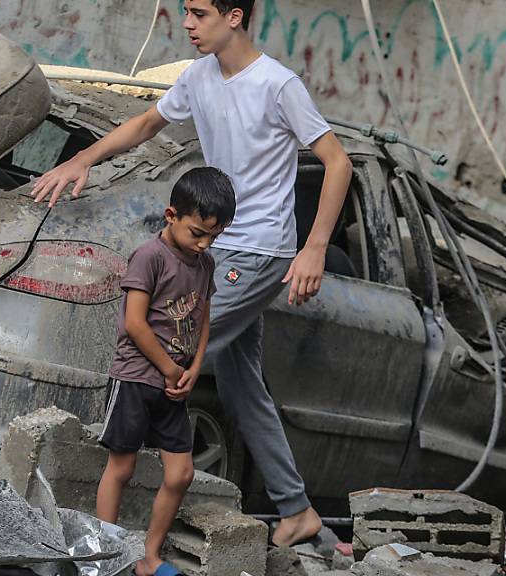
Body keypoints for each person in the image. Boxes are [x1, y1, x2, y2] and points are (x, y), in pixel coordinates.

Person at [33, 0, 353, 548]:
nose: (186, 23)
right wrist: (83, 160)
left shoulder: (278, 85)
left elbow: (337, 162)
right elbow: (145, 123)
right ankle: (297, 512)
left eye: (199, 12)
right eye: (184, 11)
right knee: (238, 381)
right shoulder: (198, 76)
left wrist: (314, 248)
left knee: (157, 355)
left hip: (257, 251)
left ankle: (92, 504)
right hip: (216, 251)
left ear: (234, 17)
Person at [96, 166, 235, 576]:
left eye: (215, 235)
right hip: (138, 378)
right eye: (198, 232)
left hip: (175, 385)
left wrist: (193, 368)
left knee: (182, 473)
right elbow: (135, 323)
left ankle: (148, 556)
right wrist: (169, 368)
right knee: (121, 467)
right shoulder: (149, 256)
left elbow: (204, 318)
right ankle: (106, 554)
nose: (205, 243)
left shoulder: (205, 263)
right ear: (171, 214)